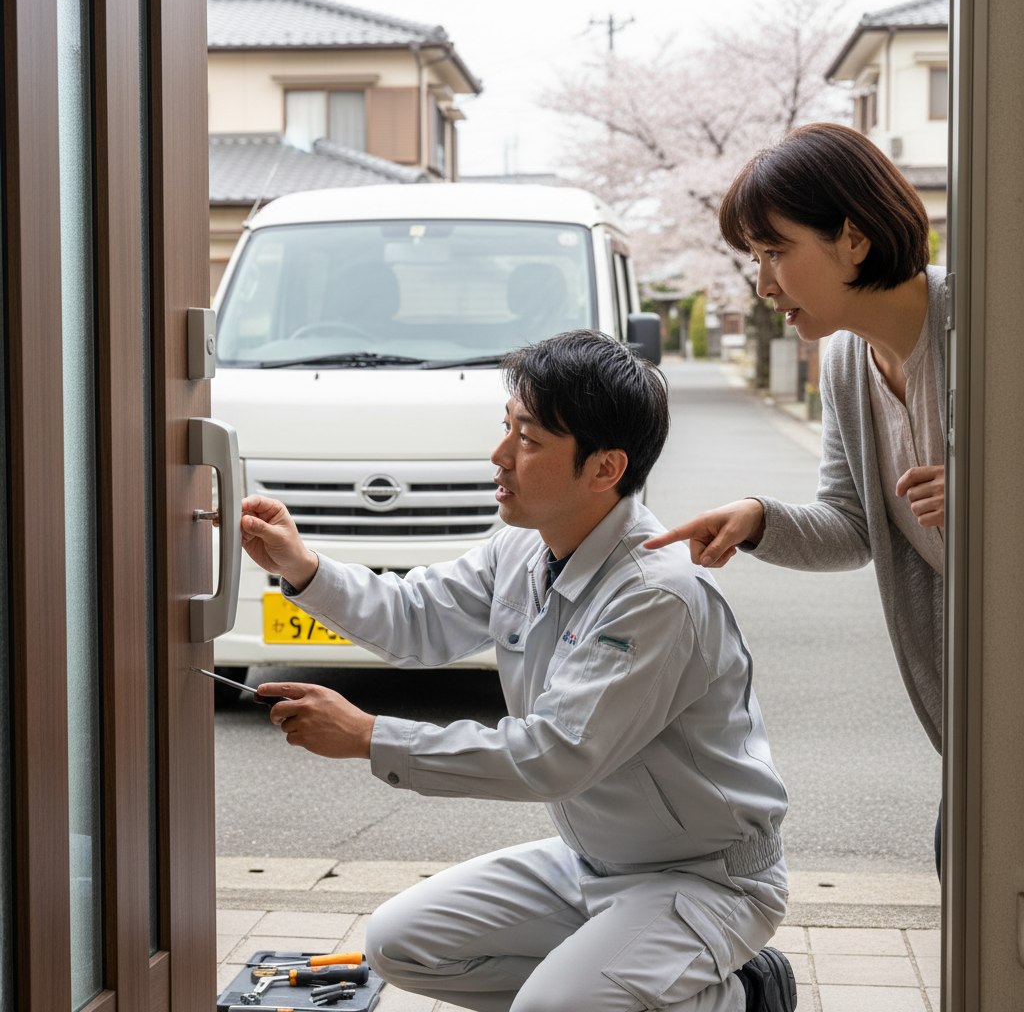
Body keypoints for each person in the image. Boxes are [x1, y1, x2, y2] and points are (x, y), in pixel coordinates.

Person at [240, 330, 797, 1012]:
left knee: (552, 1008)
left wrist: (368, 736)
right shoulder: (524, 548)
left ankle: (745, 995)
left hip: (706, 878)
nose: (499, 454)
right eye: (506, 427)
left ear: (604, 468)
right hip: (592, 861)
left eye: (528, 439)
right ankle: (618, 981)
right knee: (399, 944)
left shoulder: (657, 595)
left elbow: (554, 755)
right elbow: (415, 617)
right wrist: (301, 566)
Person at [646, 123, 946, 875]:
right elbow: (853, 525)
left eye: (776, 252)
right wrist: (758, 519)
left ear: (853, 238)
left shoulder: (990, 321)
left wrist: (999, 499)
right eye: (755, 257)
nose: (763, 283)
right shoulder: (845, 359)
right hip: (978, 696)